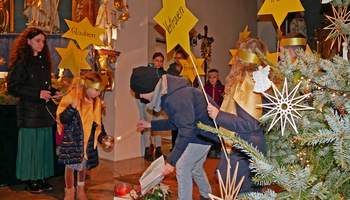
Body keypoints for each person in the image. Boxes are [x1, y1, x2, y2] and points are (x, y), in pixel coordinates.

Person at [131, 66, 219, 200]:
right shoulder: (169, 92)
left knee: (182, 167)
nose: (141, 97)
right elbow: (177, 122)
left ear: (148, 88)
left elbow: (185, 129)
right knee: (195, 167)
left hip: (204, 133)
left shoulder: (175, 97)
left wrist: (171, 161)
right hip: (203, 131)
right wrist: (150, 124)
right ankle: (207, 195)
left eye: (140, 93)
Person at [207, 38, 273, 193]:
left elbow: (249, 123)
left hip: (244, 150)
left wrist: (218, 115)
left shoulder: (249, 82)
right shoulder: (258, 78)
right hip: (248, 148)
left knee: (243, 193)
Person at [6, 27, 61, 193]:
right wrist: (37, 94)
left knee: (43, 148)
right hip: (29, 113)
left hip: (44, 112)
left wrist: (53, 92)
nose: (41, 45)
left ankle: (42, 178)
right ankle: (30, 180)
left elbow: (43, 87)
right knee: (31, 148)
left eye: (43, 42)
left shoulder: (43, 64)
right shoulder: (21, 63)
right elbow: (13, 87)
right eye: (38, 41)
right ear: (27, 41)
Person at [56, 72, 114, 200]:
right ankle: (69, 193)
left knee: (83, 168)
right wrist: (71, 108)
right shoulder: (73, 97)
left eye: (100, 91)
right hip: (74, 140)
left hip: (87, 142)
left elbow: (98, 125)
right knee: (70, 168)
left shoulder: (96, 103)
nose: (98, 94)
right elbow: (62, 119)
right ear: (87, 87)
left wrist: (102, 137)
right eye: (96, 90)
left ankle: (81, 192)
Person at [136, 52, 167, 161]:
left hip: (160, 103)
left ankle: (158, 148)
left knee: (158, 125)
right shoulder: (146, 71)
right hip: (147, 102)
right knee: (147, 125)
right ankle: (147, 149)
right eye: (157, 60)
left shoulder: (164, 74)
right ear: (153, 60)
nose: (159, 63)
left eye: (161, 61)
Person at [204, 68, 225, 159]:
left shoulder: (222, 88)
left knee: (218, 132)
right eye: (210, 77)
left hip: (218, 113)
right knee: (209, 131)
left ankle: (218, 149)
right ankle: (211, 150)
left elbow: (224, 101)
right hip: (208, 113)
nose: (212, 79)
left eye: (214, 77)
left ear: (218, 77)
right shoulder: (205, 88)